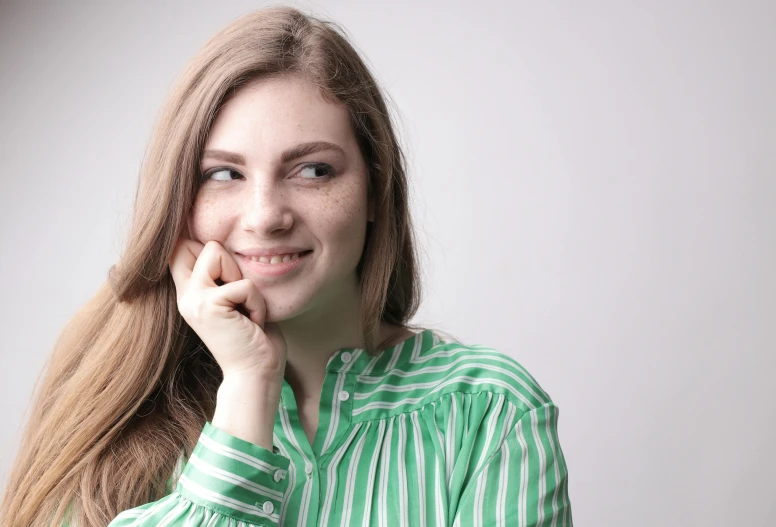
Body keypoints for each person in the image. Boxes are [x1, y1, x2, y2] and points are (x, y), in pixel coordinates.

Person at [0, 6, 572, 527]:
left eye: (314, 171)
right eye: (223, 174)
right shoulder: (107, 414)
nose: (266, 215)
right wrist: (248, 389)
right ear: (177, 201)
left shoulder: (489, 410)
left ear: (375, 190)